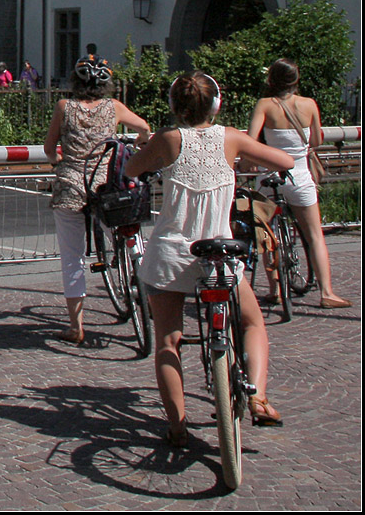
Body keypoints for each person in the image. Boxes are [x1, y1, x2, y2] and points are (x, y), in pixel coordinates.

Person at [126, 72, 294, 446]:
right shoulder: (231, 137)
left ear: (174, 106)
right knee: (251, 324)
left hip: (171, 253)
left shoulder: (167, 140)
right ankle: (258, 397)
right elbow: (283, 160)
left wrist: (151, 155)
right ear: (216, 105)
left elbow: (130, 169)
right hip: (220, 253)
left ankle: (178, 425)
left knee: (168, 341)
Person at [42, 56, 150, 345]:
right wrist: (138, 145)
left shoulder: (64, 107)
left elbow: (50, 148)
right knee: (125, 229)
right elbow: (144, 128)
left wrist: (58, 162)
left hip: (71, 186)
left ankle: (76, 326)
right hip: (107, 186)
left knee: (72, 256)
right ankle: (139, 275)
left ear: (75, 83)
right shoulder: (114, 107)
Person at [245, 59, 351, 309]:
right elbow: (315, 140)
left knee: (268, 234)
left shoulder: (264, 105)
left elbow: (250, 140)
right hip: (300, 176)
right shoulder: (309, 104)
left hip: (270, 176)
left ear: (271, 80)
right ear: (296, 80)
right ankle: (327, 292)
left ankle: (276, 290)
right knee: (314, 235)